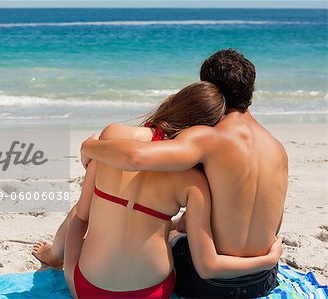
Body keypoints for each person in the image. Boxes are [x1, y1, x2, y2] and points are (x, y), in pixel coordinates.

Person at [34, 81, 282, 298]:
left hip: (88, 290)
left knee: (82, 214)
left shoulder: (111, 139)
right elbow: (207, 264)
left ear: (174, 103)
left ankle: (55, 254)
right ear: (201, 130)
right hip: (154, 293)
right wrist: (268, 260)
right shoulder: (193, 181)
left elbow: (81, 217)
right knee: (168, 233)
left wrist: (90, 146)